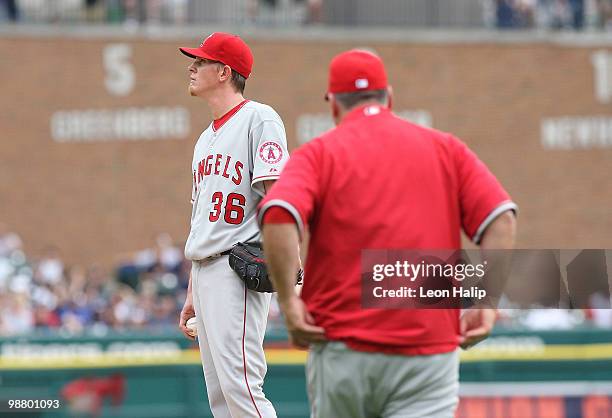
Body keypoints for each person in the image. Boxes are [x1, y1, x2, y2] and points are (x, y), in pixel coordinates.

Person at [258, 49, 517, 417]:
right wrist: (486, 302)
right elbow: (501, 220)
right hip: (427, 352)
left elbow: (279, 215)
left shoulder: (318, 153)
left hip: (343, 347)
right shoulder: (445, 148)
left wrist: (289, 302)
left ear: (333, 104)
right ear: (389, 97)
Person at [176, 33, 289, 418]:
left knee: (241, 388)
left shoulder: (260, 118)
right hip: (206, 269)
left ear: (224, 72)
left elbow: (277, 195)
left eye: (201, 62)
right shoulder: (205, 139)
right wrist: (193, 288)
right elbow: (199, 222)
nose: (191, 67)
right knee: (221, 397)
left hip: (237, 268)